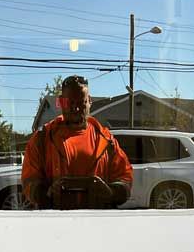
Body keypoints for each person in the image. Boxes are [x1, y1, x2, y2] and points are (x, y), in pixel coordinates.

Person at [21, 76, 133, 210]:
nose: (76, 108)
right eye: (70, 103)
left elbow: (125, 177)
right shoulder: (42, 139)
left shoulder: (107, 140)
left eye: (81, 102)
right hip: (55, 219)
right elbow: (28, 181)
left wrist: (110, 192)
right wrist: (48, 192)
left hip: (98, 219)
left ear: (89, 101)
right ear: (61, 102)